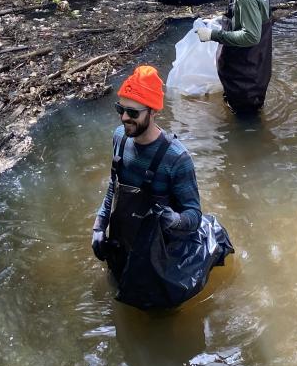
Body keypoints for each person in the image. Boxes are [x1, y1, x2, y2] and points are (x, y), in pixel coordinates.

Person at [91, 66, 231, 309]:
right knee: (121, 293)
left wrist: (174, 220)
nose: (124, 118)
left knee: (160, 311)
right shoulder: (119, 138)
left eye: (132, 112)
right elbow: (113, 187)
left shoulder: (177, 158)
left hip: (162, 248)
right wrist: (100, 224)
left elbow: (193, 215)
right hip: (125, 239)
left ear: (153, 111)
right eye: (120, 109)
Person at [197, 0, 272, 115]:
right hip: (255, 69)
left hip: (244, 79)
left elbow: (250, 36)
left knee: (246, 122)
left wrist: (213, 35)